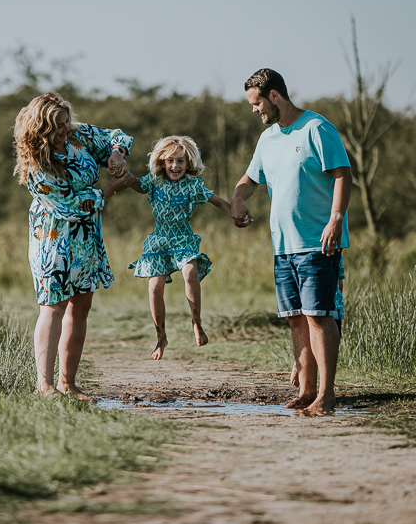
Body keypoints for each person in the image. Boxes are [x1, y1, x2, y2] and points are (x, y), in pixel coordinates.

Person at [230, 69, 352, 414]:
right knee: (297, 317)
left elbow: (343, 175)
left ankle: (326, 397)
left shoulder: (317, 128)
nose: (254, 110)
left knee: (318, 315)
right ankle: (307, 391)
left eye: (256, 104)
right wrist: (238, 199)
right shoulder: (268, 138)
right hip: (283, 246)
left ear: (274, 97)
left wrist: (335, 220)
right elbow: (251, 179)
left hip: (318, 241)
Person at [13, 92, 135, 401]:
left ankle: (68, 384)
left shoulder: (77, 137)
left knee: (81, 307)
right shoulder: (37, 166)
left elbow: (116, 136)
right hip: (54, 240)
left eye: (67, 122)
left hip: (86, 239)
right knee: (53, 307)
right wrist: (111, 189)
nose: (66, 129)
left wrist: (116, 153)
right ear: (41, 129)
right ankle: (45, 386)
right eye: (58, 126)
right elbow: (69, 206)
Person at [127, 136, 231, 360]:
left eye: (181, 161)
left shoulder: (193, 185)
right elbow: (136, 184)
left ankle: (197, 323)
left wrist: (236, 213)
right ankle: (161, 336)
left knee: (190, 272)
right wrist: (121, 176)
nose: (175, 166)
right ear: (162, 162)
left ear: (189, 163)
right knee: (155, 287)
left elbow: (218, 201)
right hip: (159, 240)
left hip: (183, 238)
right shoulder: (154, 181)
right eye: (171, 160)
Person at [292, 255, 345, 387]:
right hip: (319, 307)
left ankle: (326, 382)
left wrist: (337, 303)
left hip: (334, 306)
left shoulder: (337, 257)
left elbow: (339, 282)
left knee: (329, 342)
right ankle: (299, 366)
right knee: (311, 340)